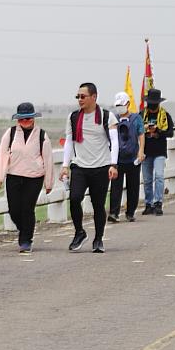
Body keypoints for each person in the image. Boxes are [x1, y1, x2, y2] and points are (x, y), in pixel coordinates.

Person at [60, 82, 119, 253]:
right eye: (77, 96)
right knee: (74, 198)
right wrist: (65, 165)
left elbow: (115, 142)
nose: (80, 99)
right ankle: (79, 232)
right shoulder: (73, 117)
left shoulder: (107, 117)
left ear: (94, 97)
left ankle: (99, 239)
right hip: (80, 166)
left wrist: (113, 164)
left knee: (98, 204)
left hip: (101, 166)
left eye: (83, 96)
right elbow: (69, 142)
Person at [0, 102, 53, 253]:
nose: (25, 122)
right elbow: (2, 155)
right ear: (17, 119)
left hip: (34, 177)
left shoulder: (41, 135)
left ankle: (26, 240)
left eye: (28, 118)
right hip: (14, 175)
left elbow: (48, 159)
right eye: (22, 119)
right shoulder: (11, 133)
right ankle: (25, 231)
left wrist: (49, 183)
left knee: (27, 209)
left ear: (33, 118)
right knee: (14, 210)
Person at [108, 92, 145, 223]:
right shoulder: (113, 119)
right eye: (117, 106)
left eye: (122, 105)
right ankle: (113, 212)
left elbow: (141, 135)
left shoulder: (136, 119)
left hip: (133, 158)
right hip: (118, 159)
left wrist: (141, 151)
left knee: (133, 186)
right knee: (115, 187)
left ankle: (130, 212)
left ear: (128, 104)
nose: (120, 108)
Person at [141, 88, 175, 215]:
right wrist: (146, 130)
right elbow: (137, 131)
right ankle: (148, 203)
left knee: (159, 176)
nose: (152, 105)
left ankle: (158, 203)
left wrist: (158, 132)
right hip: (145, 151)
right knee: (147, 179)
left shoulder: (165, 116)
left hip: (159, 151)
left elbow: (170, 133)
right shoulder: (142, 115)